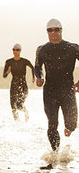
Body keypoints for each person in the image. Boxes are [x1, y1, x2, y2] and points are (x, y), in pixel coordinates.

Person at [34, 18, 78, 156]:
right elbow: (37, 66)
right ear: (47, 32)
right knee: (52, 123)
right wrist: (39, 77)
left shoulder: (72, 48)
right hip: (50, 91)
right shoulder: (42, 49)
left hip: (68, 91)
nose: (53, 32)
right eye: (50, 30)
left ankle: (69, 128)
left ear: (61, 30)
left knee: (72, 124)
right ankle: (55, 153)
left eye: (56, 30)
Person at [3, 43, 34, 121]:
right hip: (14, 84)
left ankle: (26, 114)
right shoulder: (9, 61)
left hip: (23, 84)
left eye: (17, 50)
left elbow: (32, 68)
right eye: (14, 50)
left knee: (19, 105)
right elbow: (4, 75)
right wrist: (8, 72)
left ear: (20, 51)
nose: (15, 51)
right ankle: (16, 121)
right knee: (13, 105)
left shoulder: (24, 61)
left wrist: (34, 78)